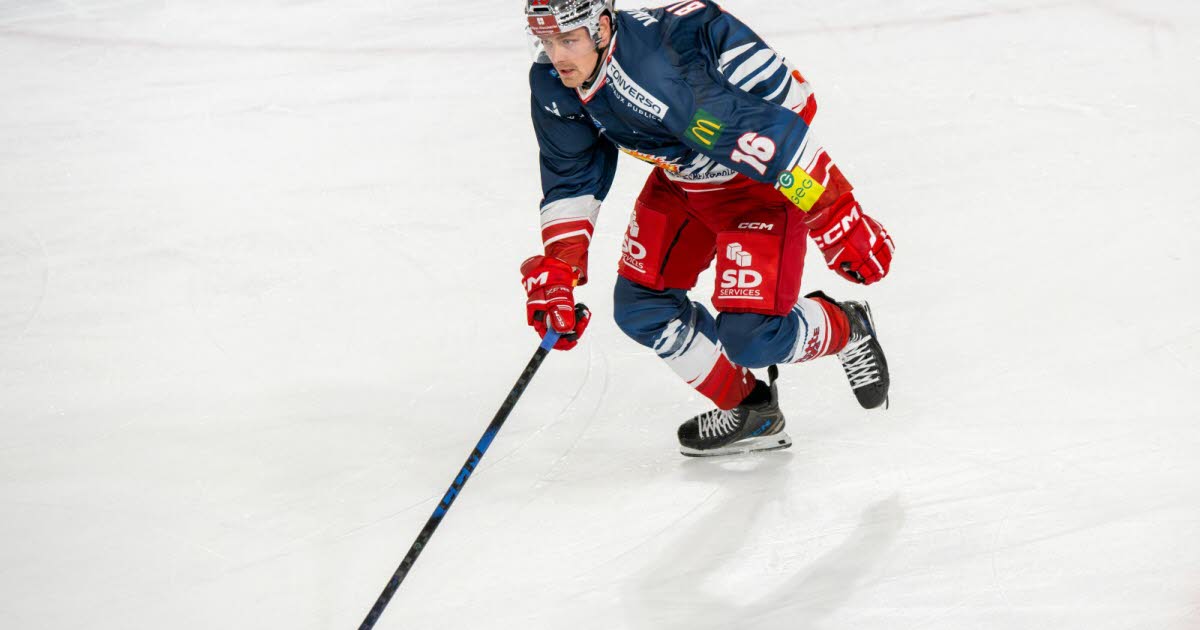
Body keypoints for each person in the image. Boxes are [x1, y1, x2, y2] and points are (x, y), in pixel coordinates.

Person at [519, 0, 895, 457]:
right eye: (547, 40)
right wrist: (560, 269)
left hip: (759, 185)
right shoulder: (554, 81)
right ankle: (753, 412)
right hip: (685, 177)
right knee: (642, 307)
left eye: (568, 39)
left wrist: (837, 216)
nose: (557, 56)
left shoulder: (657, 77)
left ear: (600, 28)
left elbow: (772, 141)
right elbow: (572, 173)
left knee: (752, 337)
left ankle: (847, 326)